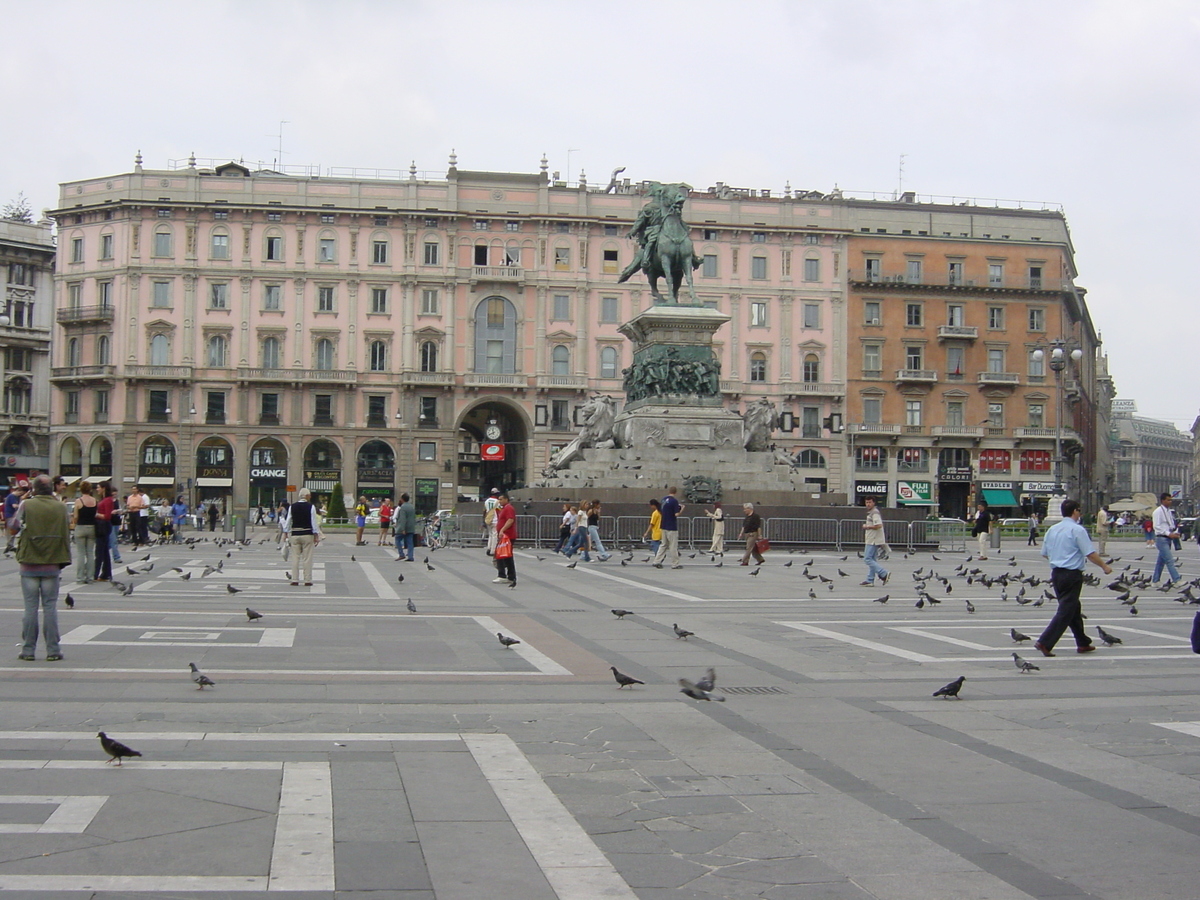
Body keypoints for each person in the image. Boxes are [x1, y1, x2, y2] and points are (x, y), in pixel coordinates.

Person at [1034, 499, 1113, 656]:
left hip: (1056, 573)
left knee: (1073, 609)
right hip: (1072, 574)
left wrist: (1058, 558)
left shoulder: (1052, 529)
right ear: (1075, 512)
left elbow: (1044, 553)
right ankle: (1045, 641)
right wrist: (1104, 566)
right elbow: (1089, 553)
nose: (1080, 514)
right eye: (1079, 510)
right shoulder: (1077, 530)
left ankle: (1082, 642)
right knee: (1066, 610)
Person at [14, 474, 72, 661]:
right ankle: (53, 650)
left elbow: (14, 525)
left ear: (34, 489)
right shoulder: (61, 507)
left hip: (29, 562)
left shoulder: (27, 505)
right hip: (52, 562)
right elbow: (66, 529)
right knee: (50, 607)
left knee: (30, 607)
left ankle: (28, 650)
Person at [282, 488, 321, 585]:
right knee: (307, 558)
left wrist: (286, 532)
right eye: (309, 495)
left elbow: (288, 520)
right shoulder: (310, 507)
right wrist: (316, 534)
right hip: (307, 534)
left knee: (295, 557)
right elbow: (313, 522)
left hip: (295, 534)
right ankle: (307, 580)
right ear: (306, 496)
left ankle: (294, 579)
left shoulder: (292, 506)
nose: (310, 496)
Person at [71, 481, 98, 585]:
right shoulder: (95, 500)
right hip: (92, 527)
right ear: (90, 489)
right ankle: (90, 576)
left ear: (81, 489)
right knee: (90, 553)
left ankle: (80, 577)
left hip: (81, 527)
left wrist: (74, 523)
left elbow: (76, 517)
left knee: (81, 553)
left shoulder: (79, 501)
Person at [1152, 492, 1182, 585]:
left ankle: (1155, 580)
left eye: (1170, 500)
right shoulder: (1158, 511)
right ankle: (1176, 580)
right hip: (1161, 538)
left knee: (1161, 561)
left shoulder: (1169, 511)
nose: (1170, 502)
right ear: (1162, 501)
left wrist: (1175, 532)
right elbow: (1157, 526)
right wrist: (1168, 533)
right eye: (1168, 500)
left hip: (1168, 538)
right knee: (1169, 560)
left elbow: (1170, 524)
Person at [861, 496, 890, 586]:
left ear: (874, 503)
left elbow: (878, 525)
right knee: (873, 559)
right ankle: (870, 580)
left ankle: (884, 573)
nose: (868, 504)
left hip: (873, 540)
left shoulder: (874, 513)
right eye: (866, 502)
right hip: (872, 539)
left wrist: (867, 526)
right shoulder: (871, 513)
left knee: (867, 559)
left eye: (870, 502)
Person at [652, 486, 684, 569]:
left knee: (663, 544)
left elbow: (661, 510)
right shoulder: (674, 501)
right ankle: (675, 564)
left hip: (663, 524)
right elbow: (676, 514)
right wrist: (682, 509)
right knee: (673, 546)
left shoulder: (663, 499)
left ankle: (657, 561)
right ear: (676, 492)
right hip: (671, 526)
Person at [493, 492, 517, 586]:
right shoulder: (504, 508)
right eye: (499, 499)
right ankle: (511, 576)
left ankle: (502, 575)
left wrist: (502, 530)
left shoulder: (509, 508)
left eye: (501, 499)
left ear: (506, 499)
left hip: (507, 536)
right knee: (507, 556)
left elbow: (510, 520)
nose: (500, 501)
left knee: (501, 555)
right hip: (505, 535)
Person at [93, 483, 114, 582]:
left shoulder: (108, 500)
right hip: (103, 525)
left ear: (103, 488)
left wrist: (96, 514)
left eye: (98, 487)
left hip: (103, 526)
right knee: (104, 551)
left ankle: (95, 573)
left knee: (100, 551)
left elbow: (107, 516)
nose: (97, 489)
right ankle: (106, 573)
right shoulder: (105, 500)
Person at [4, 479, 27, 554]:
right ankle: (11, 545)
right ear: (19, 491)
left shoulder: (15, 497)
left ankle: (10, 545)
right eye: (21, 493)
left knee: (14, 530)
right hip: (11, 516)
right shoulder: (12, 496)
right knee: (16, 528)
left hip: (12, 516)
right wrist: (21, 505)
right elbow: (14, 506)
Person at [394, 493, 416, 561]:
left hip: (404, 528)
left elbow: (403, 519)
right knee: (410, 542)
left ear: (402, 499)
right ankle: (410, 556)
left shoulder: (403, 507)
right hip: (411, 527)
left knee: (397, 539)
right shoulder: (411, 506)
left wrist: (403, 529)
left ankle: (401, 554)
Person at [483, 488, 501, 557]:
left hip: (488, 519)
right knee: (494, 535)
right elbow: (500, 510)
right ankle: (493, 550)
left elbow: (484, 511)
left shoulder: (486, 501)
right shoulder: (497, 501)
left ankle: (488, 548)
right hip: (495, 519)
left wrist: (483, 520)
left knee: (490, 534)